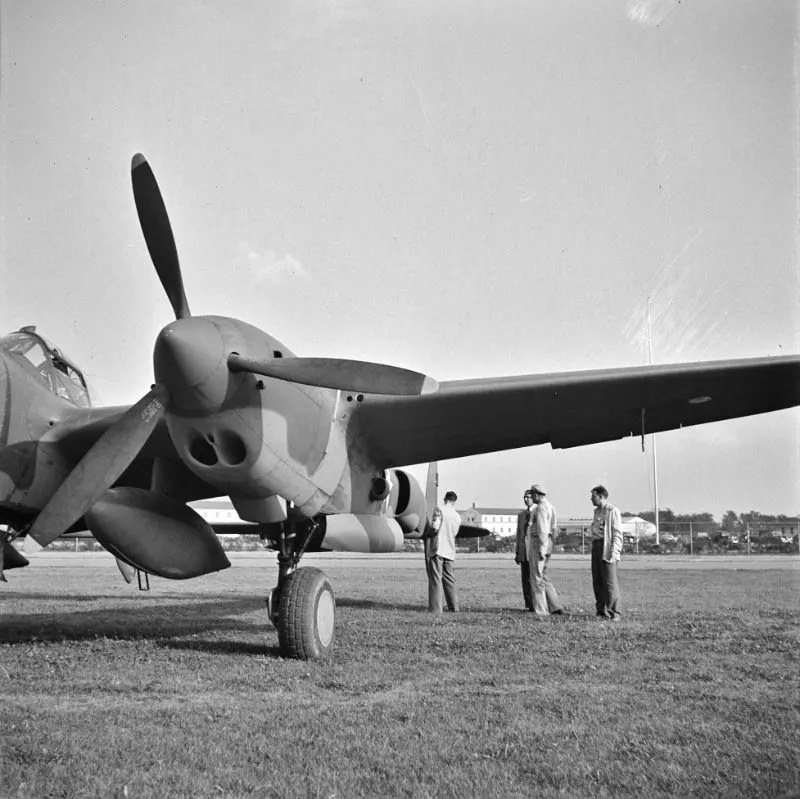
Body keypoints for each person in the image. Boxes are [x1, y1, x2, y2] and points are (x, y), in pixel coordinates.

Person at [526, 484, 564, 617]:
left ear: (537, 494)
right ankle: (555, 606)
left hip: (539, 542)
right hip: (548, 542)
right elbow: (553, 528)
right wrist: (549, 545)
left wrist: (541, 549)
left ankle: (541, 609)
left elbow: (542, 529)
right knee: (544, 575)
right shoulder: (551, 507)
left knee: (536, 576)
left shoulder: (541, 508)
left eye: (532, 494)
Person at [589, 485, 623, 620]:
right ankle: (601, 610)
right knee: (597, 581)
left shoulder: (612, 511)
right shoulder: (596, 511)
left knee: (610, 582)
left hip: (607, 547)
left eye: (593, 496)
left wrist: (614, 552)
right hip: (596, 546)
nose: (591, 499)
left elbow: (617, 533)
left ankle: (615, 612)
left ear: (601, 496)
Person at [428, 490, 460, 613]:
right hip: (450, 550)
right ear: (454, 501)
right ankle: (454, 607)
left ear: (444, 499)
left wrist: (429, 533)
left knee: (436, 578)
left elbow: (435, 527)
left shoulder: (439, 509)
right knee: (450, 579)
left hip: (438, 548)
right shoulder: (457, 516)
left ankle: (436, 608)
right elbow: (455, 533)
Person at [515, 489, 535, 610]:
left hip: (534, 551)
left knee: (535, 579)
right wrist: (518, 552)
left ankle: (538, 603)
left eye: (528, 497)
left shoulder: (538, 512)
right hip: (524, 551)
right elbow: (519, 534)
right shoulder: (521, 515)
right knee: (525, 579)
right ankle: (529, 604)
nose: (526, 499)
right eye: (524, 497)